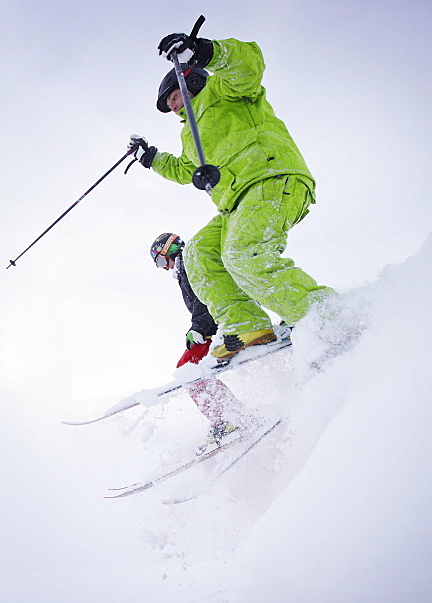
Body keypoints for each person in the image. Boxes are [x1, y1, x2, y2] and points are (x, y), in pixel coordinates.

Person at [130, 33, 334, 365]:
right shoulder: (189, 134)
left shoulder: (223, 90)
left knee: (242, 252)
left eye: (173, 98)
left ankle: (321, 314)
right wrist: (150, 157)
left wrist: (206, 52)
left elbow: (248, 66)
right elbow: (184, 168)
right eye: (168, 105)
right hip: (236, 203)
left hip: (271, 178)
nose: (172, 107)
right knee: (198, 252)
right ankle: (247, 324)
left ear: (191, 81)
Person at [151, 232, 252, 445]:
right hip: (212, 322)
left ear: (170, 250)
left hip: (215, 322)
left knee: (188, 369)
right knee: (188, 370)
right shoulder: (184, 267)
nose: (163, 268)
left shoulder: (188, 263)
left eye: (160, 260)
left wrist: (199, 328)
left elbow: (203, 296)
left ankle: (228, 418)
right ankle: (229, 416)